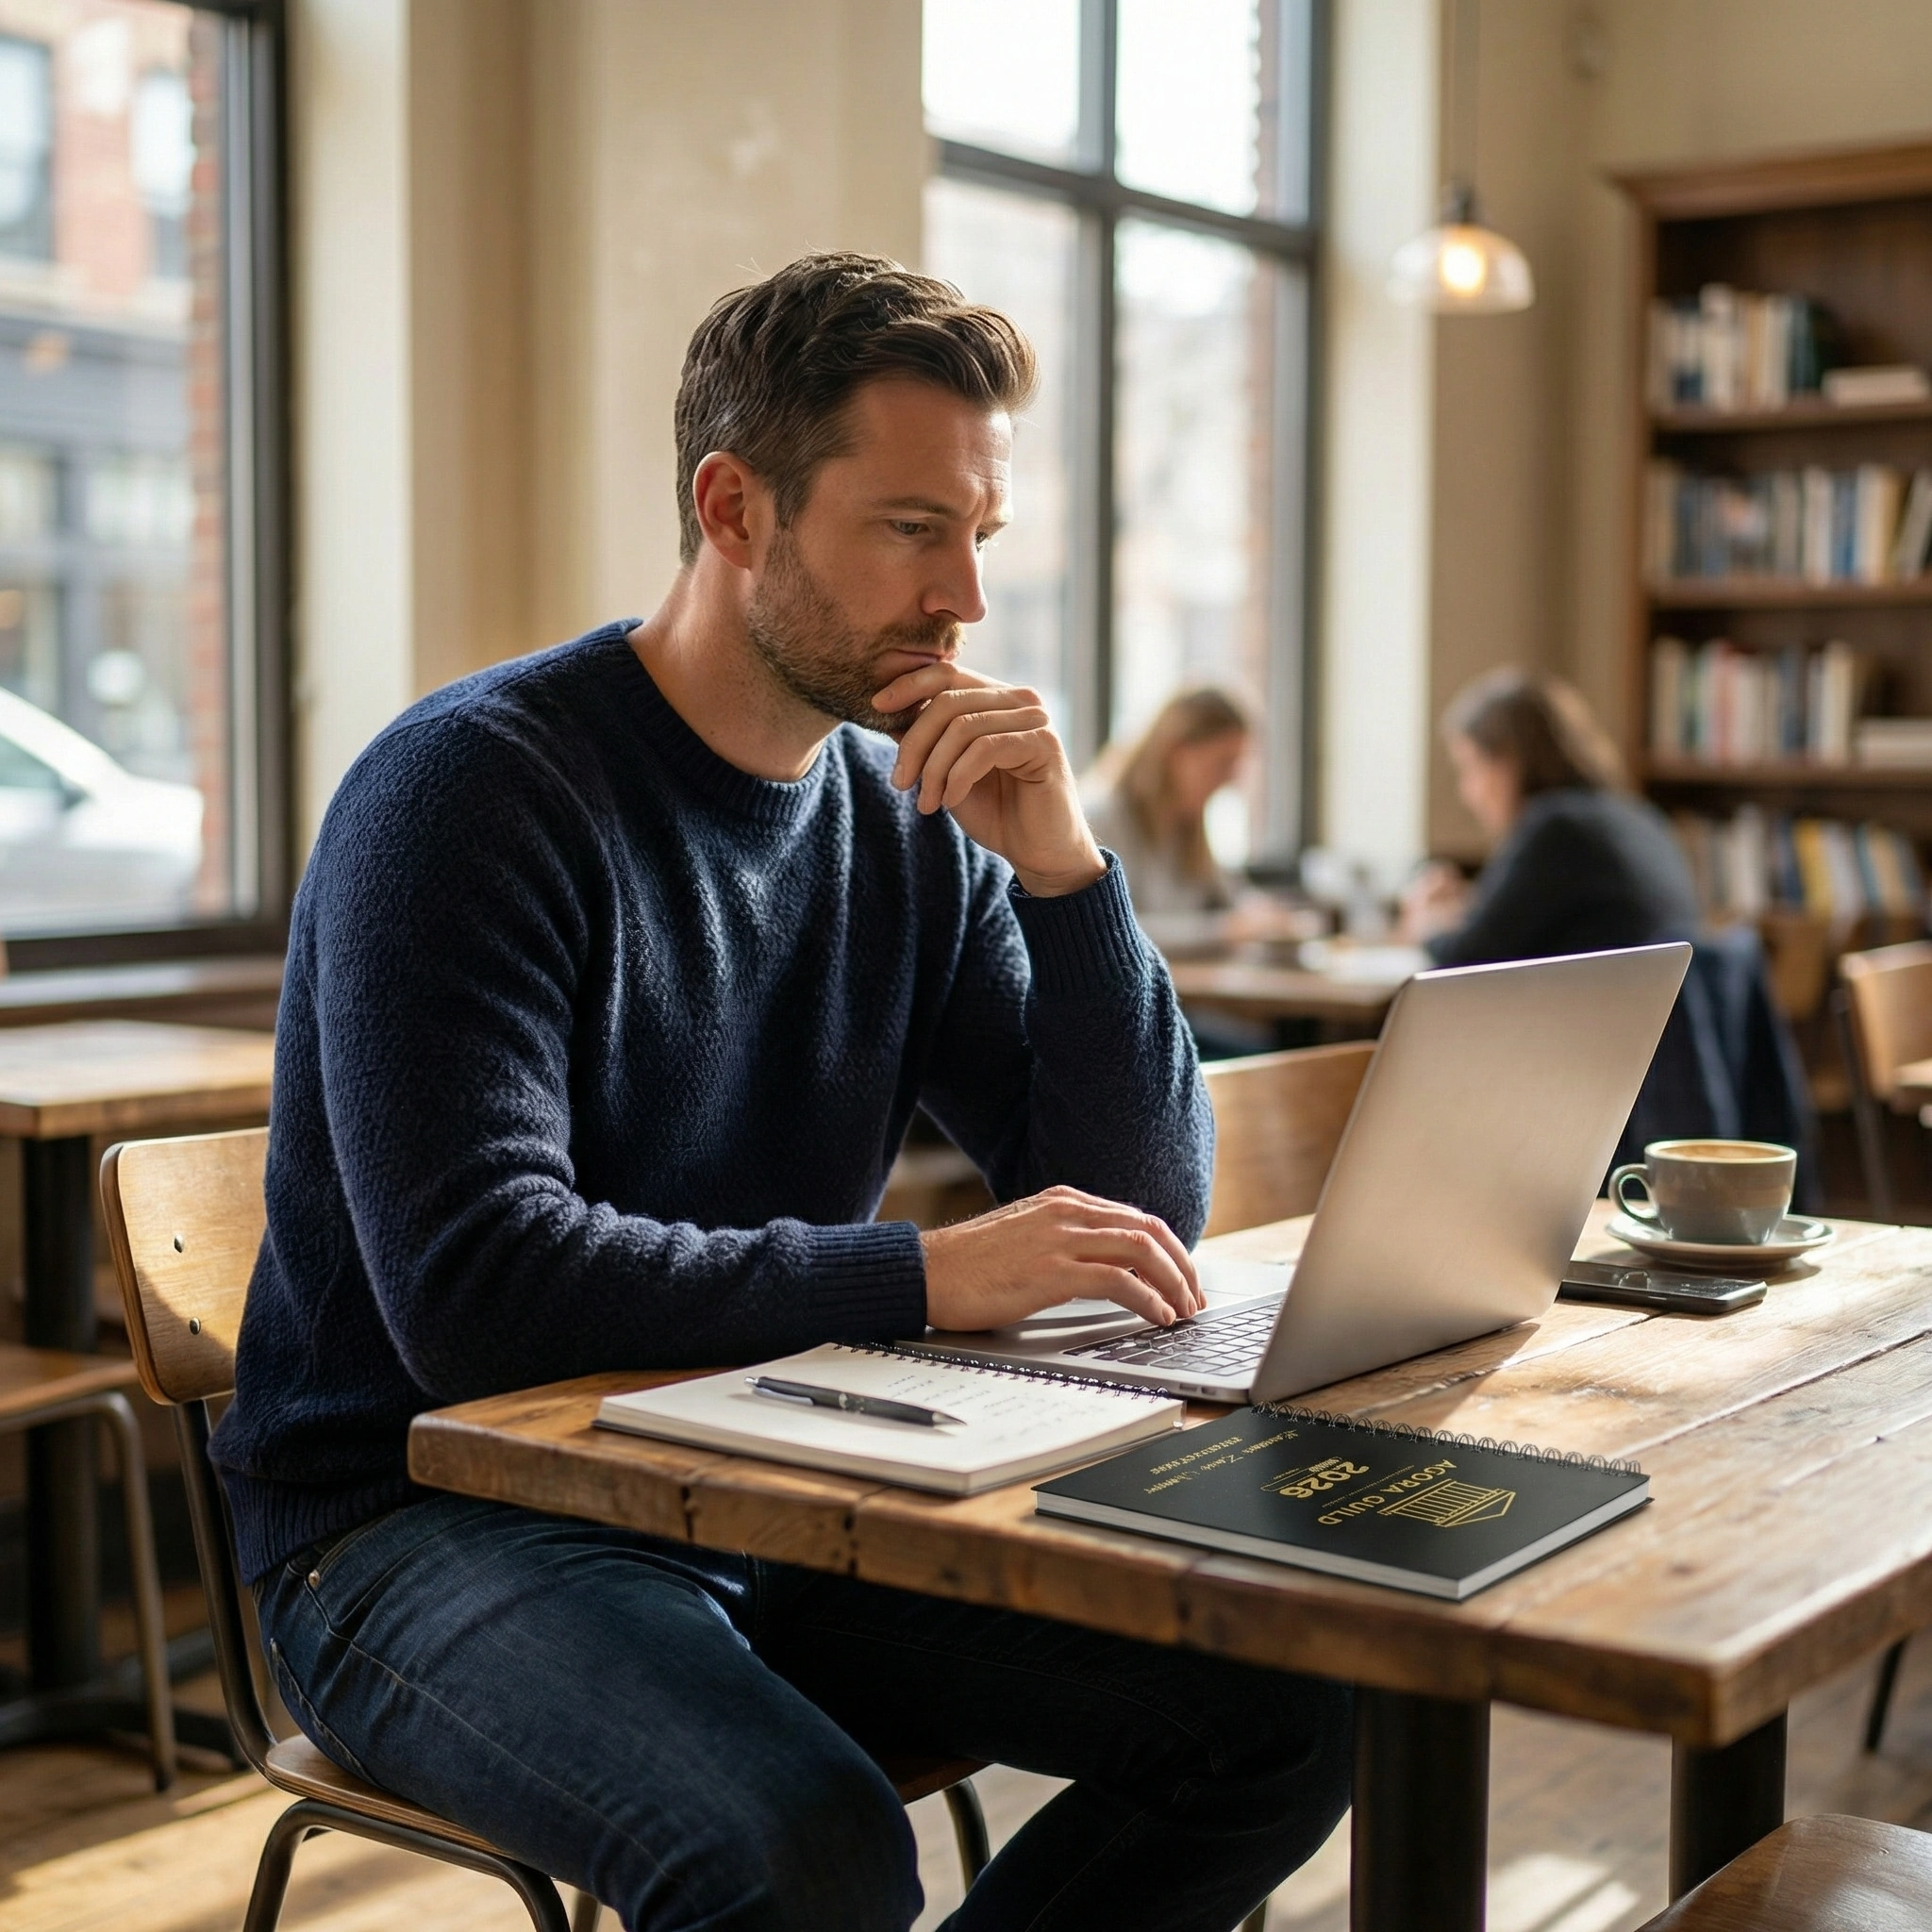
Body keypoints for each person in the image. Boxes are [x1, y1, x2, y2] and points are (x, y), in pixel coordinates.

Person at [212, 255, 1349, 1932]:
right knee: (799, 1851)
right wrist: (923, 1272)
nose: (963, 593)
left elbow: (1135, 1215)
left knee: (1277, 1712)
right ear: (732, 506)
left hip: (768, 1477)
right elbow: (475, 1289)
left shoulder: (911, 818)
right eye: (909, 526)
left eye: (980, 531)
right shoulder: (469, 790)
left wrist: (1065, 870)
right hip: (416, 1518)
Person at [1401, 666, 1700, 965]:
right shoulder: (1636, 817)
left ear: (1507, 764)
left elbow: (1469, 960)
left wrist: (1427, 924)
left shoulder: (1556, 829)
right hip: (1649, 1008)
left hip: (1599, 1009)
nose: (1467, 792)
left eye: (1470, 767)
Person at [1082, 687, 1294, 956]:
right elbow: (1109, 930)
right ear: (1176, 752)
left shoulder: (1189, 827)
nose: (1232, 780)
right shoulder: (1100, 820)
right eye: (1223, 762)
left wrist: (1271, 916)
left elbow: (1235, 897)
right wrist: (1221, 929)